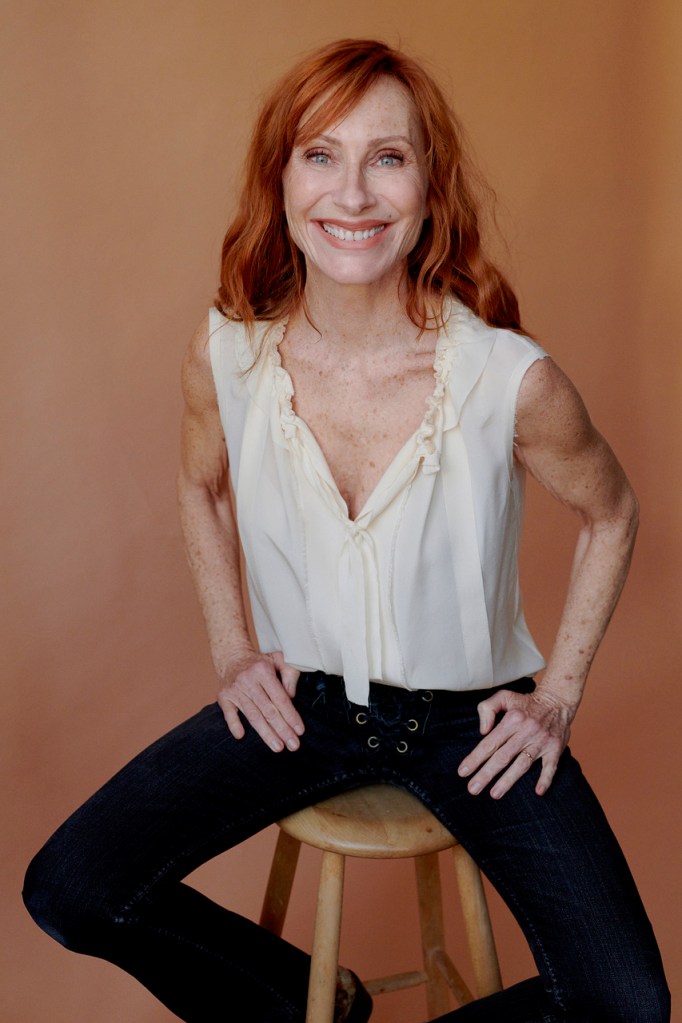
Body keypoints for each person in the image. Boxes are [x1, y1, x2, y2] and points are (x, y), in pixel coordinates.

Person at [23, 38, 669, 1023]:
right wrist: (234, 650)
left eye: (388, 157)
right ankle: (310, 1003)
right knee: (73, 885)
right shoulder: (229, 354)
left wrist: (558, 694)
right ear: (280, 179)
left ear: (429, 187)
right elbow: (200, 488)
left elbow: (612, 511)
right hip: (305, 705)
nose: (353, 193)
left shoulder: (509, 379)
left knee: (625, 1001)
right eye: (321, 154)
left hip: (470, 725)